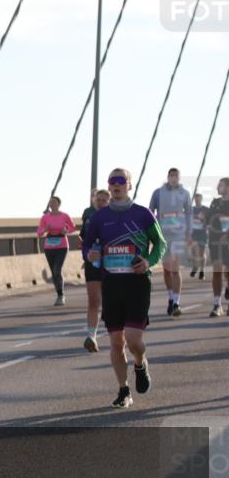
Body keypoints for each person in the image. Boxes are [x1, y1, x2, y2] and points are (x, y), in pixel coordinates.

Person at [83, 169, 166, 409]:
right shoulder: (99, 217)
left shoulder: (143, 214)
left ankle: (140, 362)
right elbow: (87, 244)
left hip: (137, 283)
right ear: (109, 186)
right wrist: (90, 254)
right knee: (116, 342)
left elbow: (160, 243)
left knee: (133, 340)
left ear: (130, 185)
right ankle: (123, 390)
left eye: (121, 181)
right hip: (112, 284)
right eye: (112, 181)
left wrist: (148, 261)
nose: (116, 185)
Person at [148, 168, 192, 316]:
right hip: (162, 235)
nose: (173, 178)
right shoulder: (157, 193)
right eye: (171, 175)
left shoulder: (185, 194)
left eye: (176, 176)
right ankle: (170, 298)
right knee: (167, 270)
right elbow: (150, 212)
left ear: (179, 178)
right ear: (167, 177)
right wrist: (150, 232)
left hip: (178, 235)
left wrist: (189, 233)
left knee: (175, 269)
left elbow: (189, 214)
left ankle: (176, 303)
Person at [80, 189, 110, 352]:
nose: (100, 202)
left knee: (110, 300)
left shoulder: (115, 217)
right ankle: (91, 336)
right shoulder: (89, 217)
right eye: (98, 199)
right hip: (94, 262)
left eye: (104, 200)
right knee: (93, 300)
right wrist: (87, 255)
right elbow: (84, 241)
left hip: (113, 262)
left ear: (109, 202)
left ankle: (118, 334)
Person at [36, 196, 76, 306]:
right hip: (49, 246)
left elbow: (73, 228)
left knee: (57, 270)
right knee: (54, 272)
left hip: (62, 245)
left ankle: (61, 295)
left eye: (54, 202)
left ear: (59, 204)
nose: (51, 204)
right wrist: (45, 229)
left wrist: (65, 230)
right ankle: (59, 293)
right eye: (50, 202)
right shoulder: (45, 217)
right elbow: (39, 233)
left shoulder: (65, 216)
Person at [206, 177, 229, 317]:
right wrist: (205, 221)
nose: (217, 188)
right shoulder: (215, 203)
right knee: (217, 271)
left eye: (220, 185)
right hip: (215, 242)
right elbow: (208, 219)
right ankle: (217, 305)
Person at [189, 193, 209, 280]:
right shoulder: (191, 209)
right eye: (196, 199)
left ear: (201, 199)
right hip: (193, 233)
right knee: (193, 253)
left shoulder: (206, 209)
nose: (197, 200)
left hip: (202, 233)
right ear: (194, 199)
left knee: (201, 253)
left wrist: (203, 219)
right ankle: (195, 266)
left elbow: (210, 221)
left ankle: (202, 271)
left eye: (199, 199)